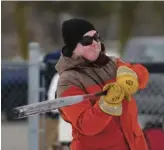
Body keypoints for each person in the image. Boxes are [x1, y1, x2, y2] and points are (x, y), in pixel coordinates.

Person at [55, 18, 149, 150]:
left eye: (96, 37)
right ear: (73, 47)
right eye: (87, 41)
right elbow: (86, 126)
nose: (95, 43)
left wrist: (130, 78)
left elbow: (142, 72)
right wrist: (107, 104)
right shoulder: (68, 81)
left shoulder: (112, 64)